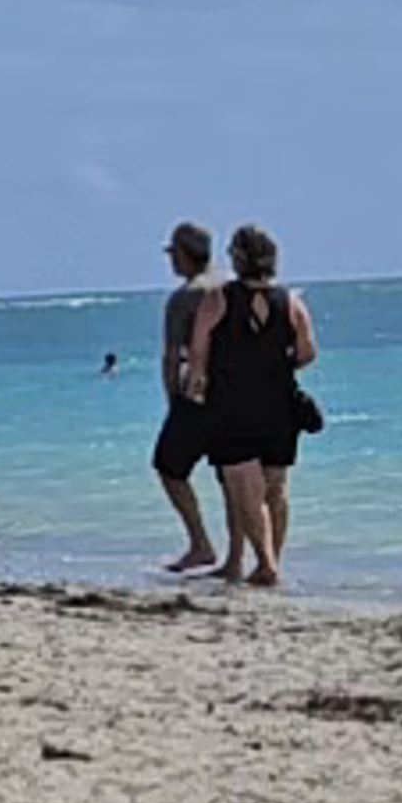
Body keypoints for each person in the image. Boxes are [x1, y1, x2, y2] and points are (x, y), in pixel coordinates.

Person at [186, 222, 316, 588]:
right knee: (276, 489)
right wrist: (273, 363)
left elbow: (198, 356)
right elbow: (307, 353)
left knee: (245, 489)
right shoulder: (291, 302)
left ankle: (266, 564)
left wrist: (197, 391)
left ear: (236, 259)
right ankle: (271, 562)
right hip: (280, 406)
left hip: (231, 406)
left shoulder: (217, 300)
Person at [152, 222, 223, 573]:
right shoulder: (230, 289)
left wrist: (172, 403)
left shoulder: (184, 297)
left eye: (173, 254)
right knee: (233, 475)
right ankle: (240, 554)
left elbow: (171, 356)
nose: (171, 261)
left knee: (168, 467)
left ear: (183, 254)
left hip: (194, 396)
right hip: (234, 394)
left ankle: (200, 543)